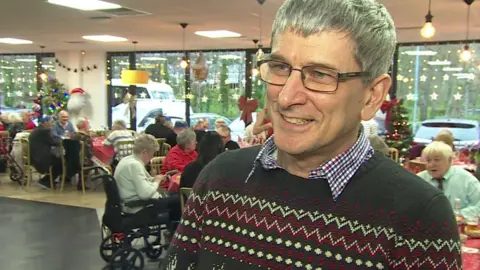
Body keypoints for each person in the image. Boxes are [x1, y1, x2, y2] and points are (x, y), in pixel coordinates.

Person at [161, 0, 461, 269]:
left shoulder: (419, 215)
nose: (286, 97)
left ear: (372, 95)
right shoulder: (219, 178)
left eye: (320, 74)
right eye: (279, 67)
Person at [114, 134, 181, 231]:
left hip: (130, 201)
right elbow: (145, 194)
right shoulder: (135, 165)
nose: (151, 157)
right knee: (179, 200)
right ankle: (175, 233)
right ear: (145, 152)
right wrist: (157, 181)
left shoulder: (127, 160)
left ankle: (172, 231)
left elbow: (139, 182)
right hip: (138, 206)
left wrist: (154, 179)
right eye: (152, 154)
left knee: (174, 196)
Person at [417, 141, 480, 220]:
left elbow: (478, 206)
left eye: (437, 160)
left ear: (449, 160)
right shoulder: (419, 180)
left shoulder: (467, 180)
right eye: (428, 160)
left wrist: (455, 215)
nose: (432, 164)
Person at [29, 116, 63, 189]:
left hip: (34, 157)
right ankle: (45, 181)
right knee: (62, 161)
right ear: (45, 123)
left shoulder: (38, 130)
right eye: (51, 122)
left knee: (58, 159)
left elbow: (52, 139)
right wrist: (63, 140)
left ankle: (50, 180)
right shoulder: (45, 131)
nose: (53, 124)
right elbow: (54, 142)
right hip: (41, 159)